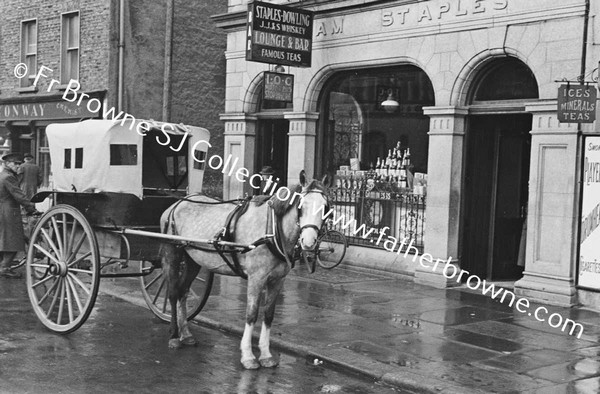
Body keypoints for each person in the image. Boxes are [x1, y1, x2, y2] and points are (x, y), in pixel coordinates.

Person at [0, 153, 36, 279]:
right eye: (15, 164)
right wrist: (30, 207)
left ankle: (3, 265)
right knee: (13, 240)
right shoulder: (8, 177)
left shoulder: (3, 175)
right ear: (7, 163)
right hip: (9, 212)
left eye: (19, 164)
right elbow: (18, 194)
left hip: (3, 211)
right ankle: (5, 268)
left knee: (4, 239)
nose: (18, 166)